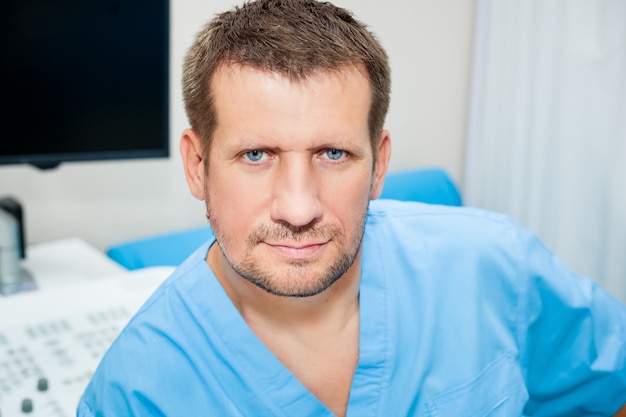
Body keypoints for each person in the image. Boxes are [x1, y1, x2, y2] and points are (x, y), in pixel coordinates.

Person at [77, 0, 626, 416]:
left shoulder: (493, 264)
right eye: (256, 154)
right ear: (198, 166)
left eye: (333, 153)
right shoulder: (136, 390)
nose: (298, 207)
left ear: (379, 163)